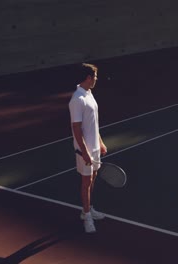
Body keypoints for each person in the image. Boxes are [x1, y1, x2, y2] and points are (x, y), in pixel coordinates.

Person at [69, 63, 107, 233]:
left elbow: (93, 123)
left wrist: (100, 142)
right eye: (95, 77)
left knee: (93, 178)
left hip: (94, 148)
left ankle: (89, 208)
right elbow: (76, 128)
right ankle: (86, 216)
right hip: (84, 150)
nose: (97, 80)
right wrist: (84, 151)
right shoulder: (77, 99)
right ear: (88, 78)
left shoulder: (89, 94)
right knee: (86, 182)